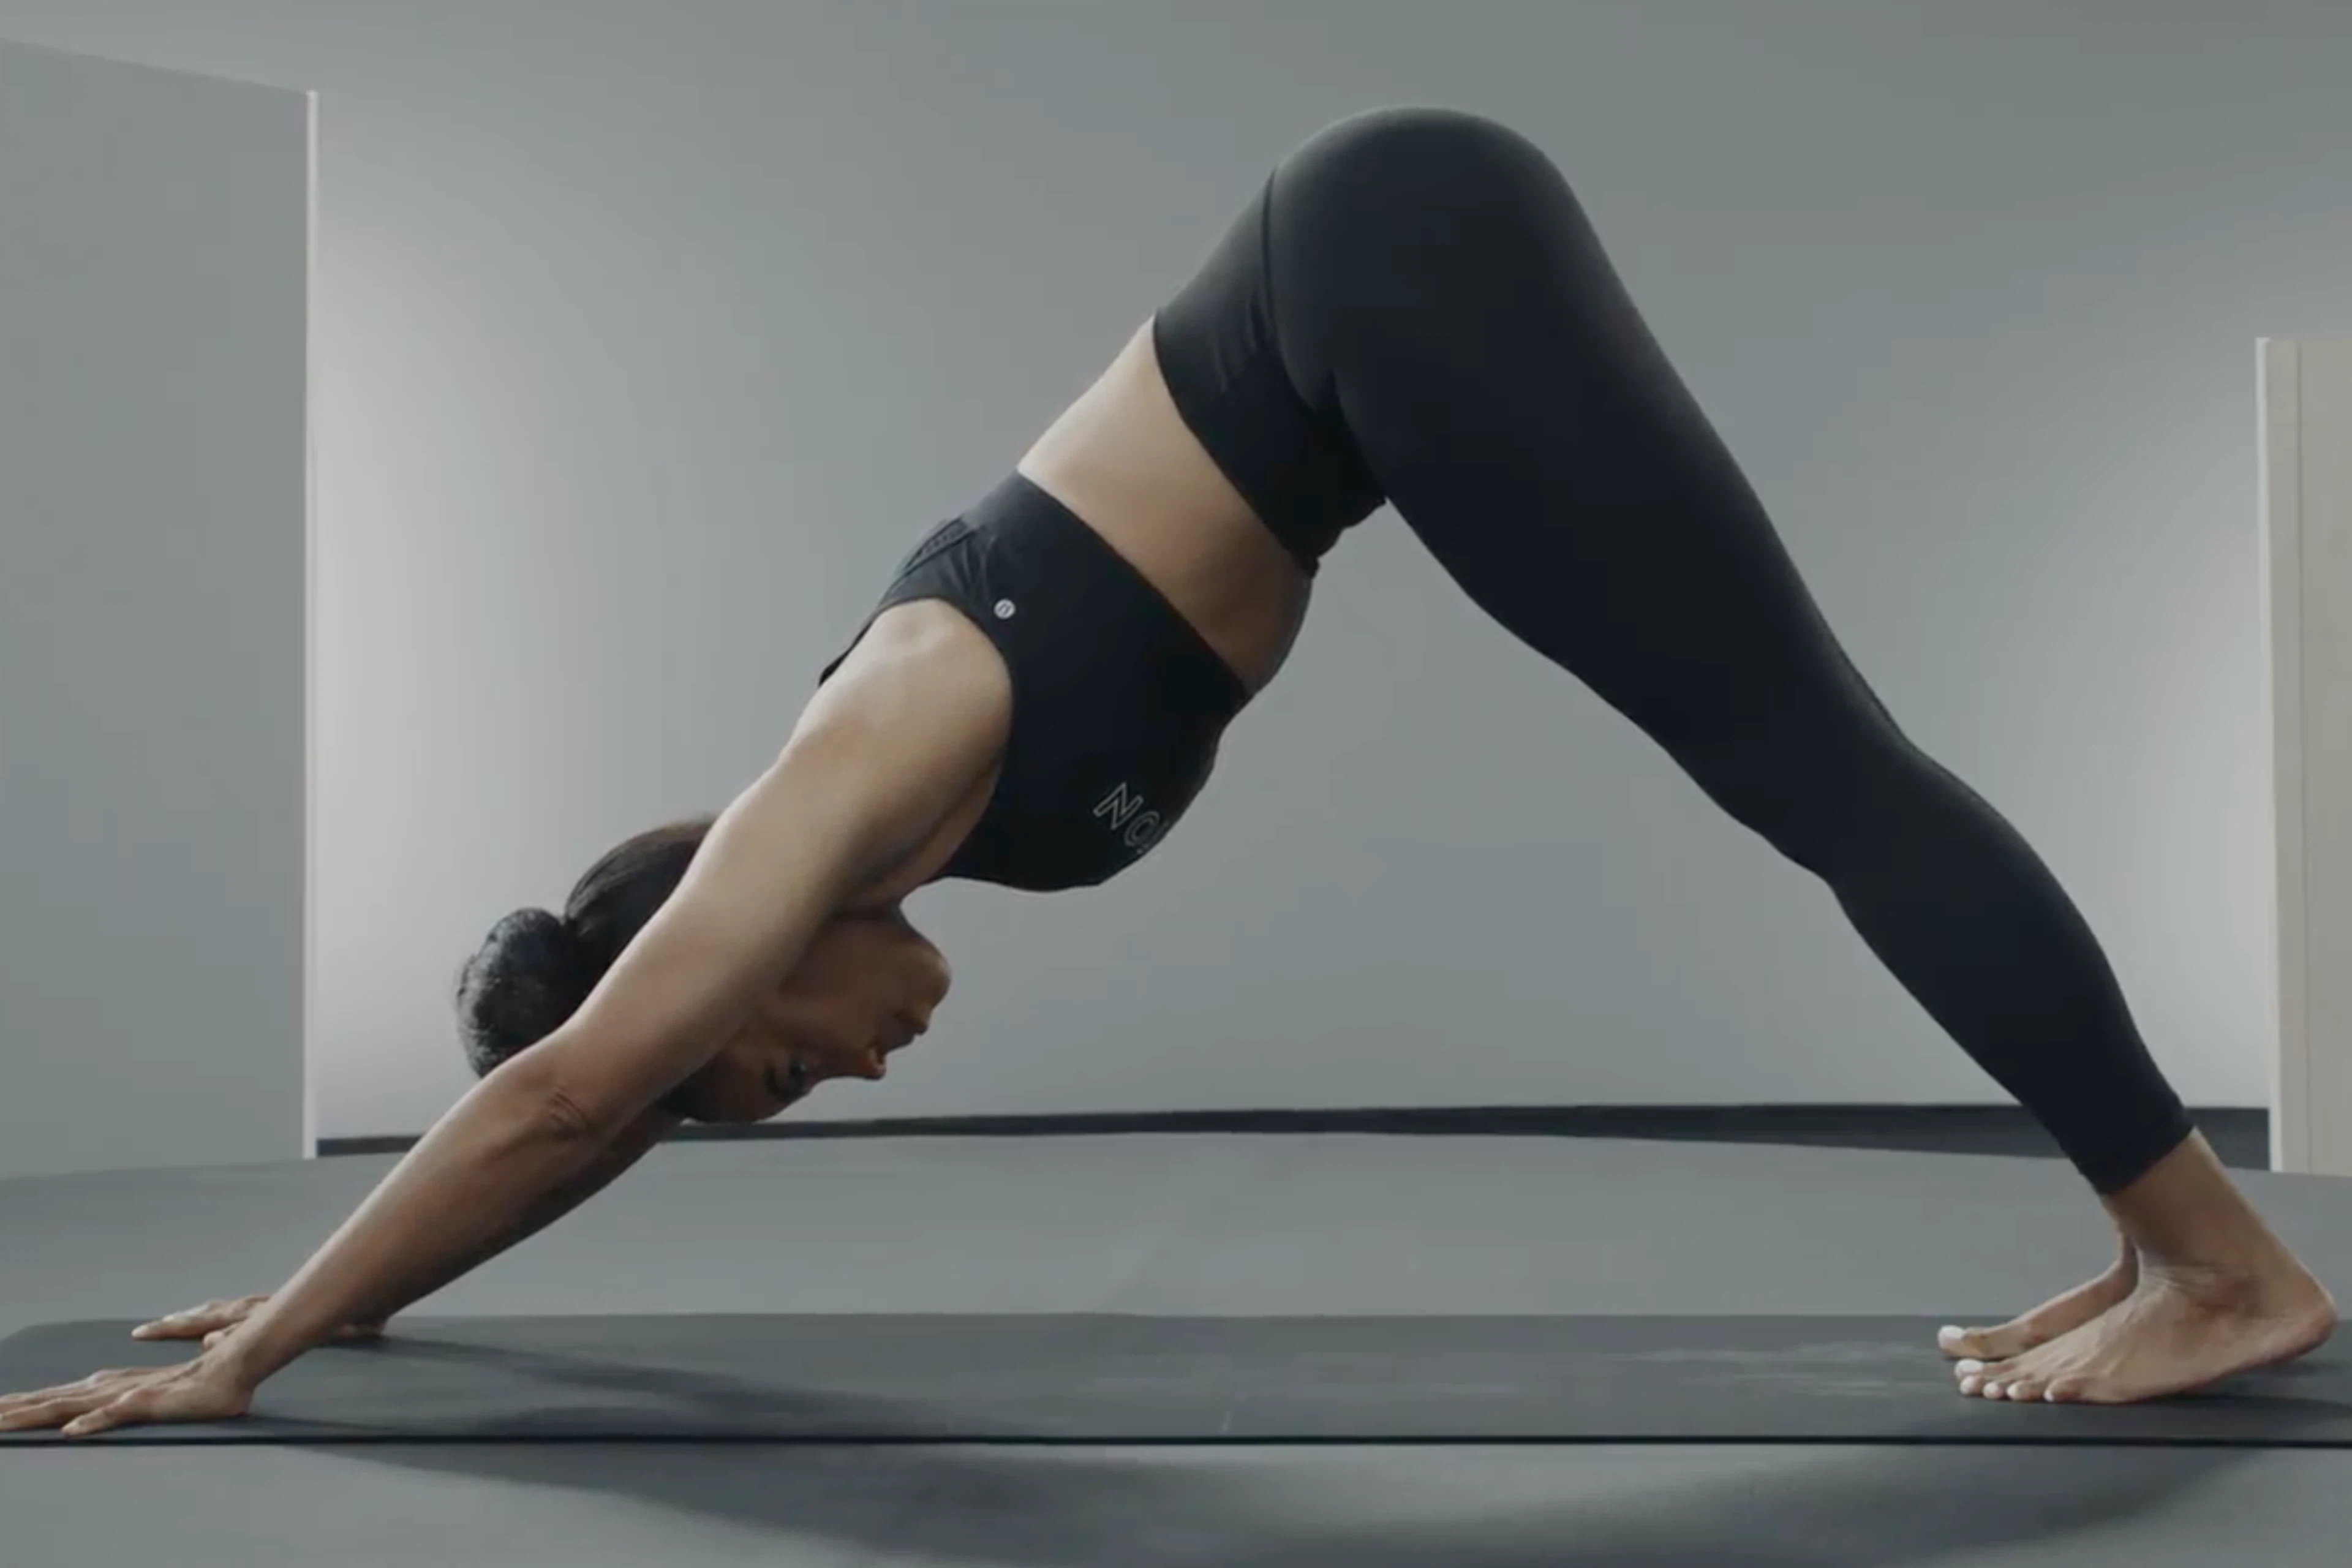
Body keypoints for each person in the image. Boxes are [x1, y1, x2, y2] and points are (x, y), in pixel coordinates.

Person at [0, 106, 2332, 1439]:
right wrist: (361, 1298)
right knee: (1813, 770)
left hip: (1384, 274)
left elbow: (579, 1092)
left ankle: (2223, 1263)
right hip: (1380, 310)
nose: (848, 1074)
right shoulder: (834, 848)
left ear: (736, 951)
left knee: (1818, 771)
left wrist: (264, 1357)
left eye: (786, 1072)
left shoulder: (851, 763)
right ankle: (2157, 1238)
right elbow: (597, 1116)